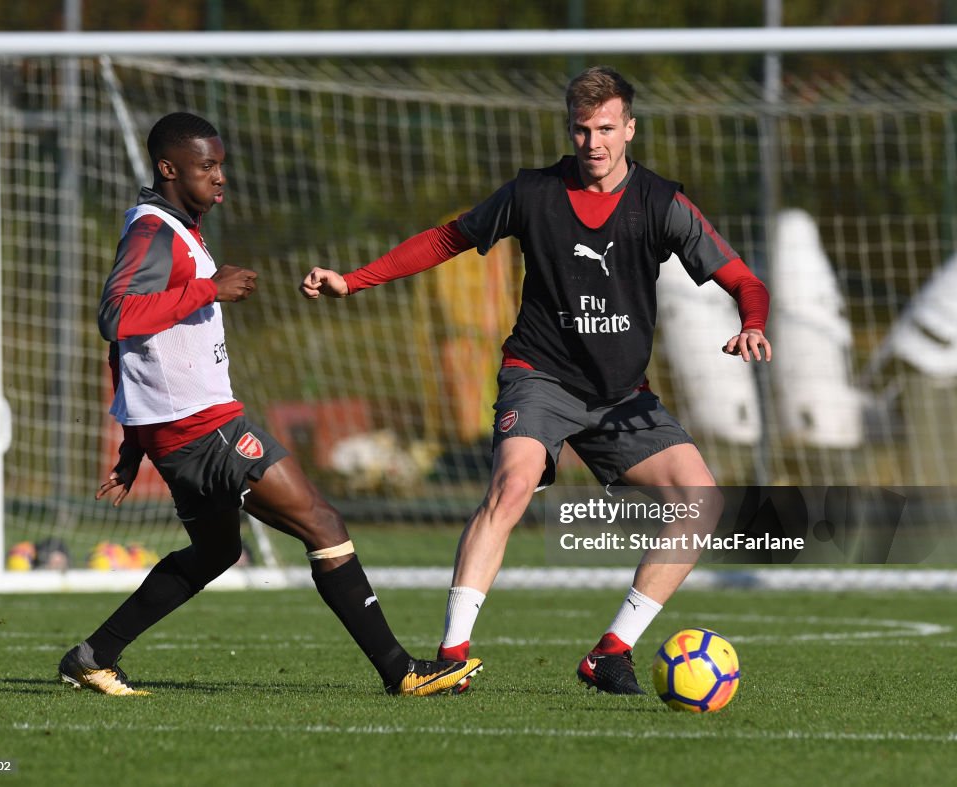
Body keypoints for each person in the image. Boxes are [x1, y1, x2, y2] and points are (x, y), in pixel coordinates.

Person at [300, 67, 772, 695]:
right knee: (514, 482)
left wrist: (754, 322)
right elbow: (448, 238)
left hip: (620, 397)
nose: (594, 143)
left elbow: (745, 279)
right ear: (569, 131)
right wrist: (353, 280)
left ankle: (611, 652)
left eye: (606, 128)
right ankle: (450, 655)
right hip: (540, 375)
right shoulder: (532, 193)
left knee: (702, 502)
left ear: (629, 128)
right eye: (582, 130)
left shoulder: (661, 204)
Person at [58, 112, 482, 698]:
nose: (219, 177)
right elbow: (115, 317)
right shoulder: (152, 230)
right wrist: (211, 289)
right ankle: (401, 671)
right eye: (207, 166)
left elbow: (132, 345)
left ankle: (94, 653)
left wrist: (134, 443)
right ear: (169, 168)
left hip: (178, 430)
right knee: (324, 523)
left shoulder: (179, 228)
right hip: (202, 428)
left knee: (217, 552)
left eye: (221, 165)